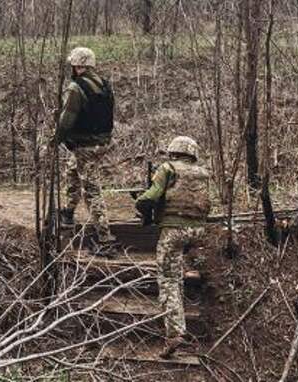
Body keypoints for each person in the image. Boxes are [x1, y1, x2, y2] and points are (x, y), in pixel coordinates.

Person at [135, 136, 210, 358]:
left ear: (174, 151)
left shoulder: (167, 168)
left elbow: (151, 196)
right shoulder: (203, 172)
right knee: (175, 275)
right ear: (193, 153)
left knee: (168, 281)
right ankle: (181, 323)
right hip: (197, 231)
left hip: (174, 230)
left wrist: (140, 203)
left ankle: (175, 333)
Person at [56, 47, 117, 256]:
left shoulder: (77, 87)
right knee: (72, 171)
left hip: (87, 145)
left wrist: (56, 139)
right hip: (101, 142)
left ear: (78, 65)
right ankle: (68, 212)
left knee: (92, 190)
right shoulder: (104, 84)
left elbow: (67, 119)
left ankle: (105, 239)